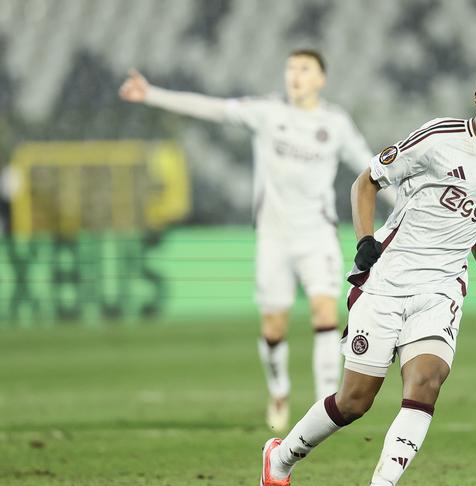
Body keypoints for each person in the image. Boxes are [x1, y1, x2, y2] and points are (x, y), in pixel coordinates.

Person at [257, 60, 476, 486]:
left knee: (427, 381)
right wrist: (364, 241)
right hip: (387, 283)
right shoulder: (438, 139)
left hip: (441, 292)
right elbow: (366, 181)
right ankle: (281, 458)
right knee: (354, 401)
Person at [119, 50, 391, 432]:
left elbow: (371, 167)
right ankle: (279, 390)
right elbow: (213, 109)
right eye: (291, 68)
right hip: (274, 238)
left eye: (304, 69)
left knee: (325, 315)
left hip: (318, 235)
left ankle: (324, 404)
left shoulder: (336, 122)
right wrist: (151, 94)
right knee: (273, 329)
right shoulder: (266, 112)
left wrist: (406, 200)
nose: (295, 75)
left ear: (321, 79)